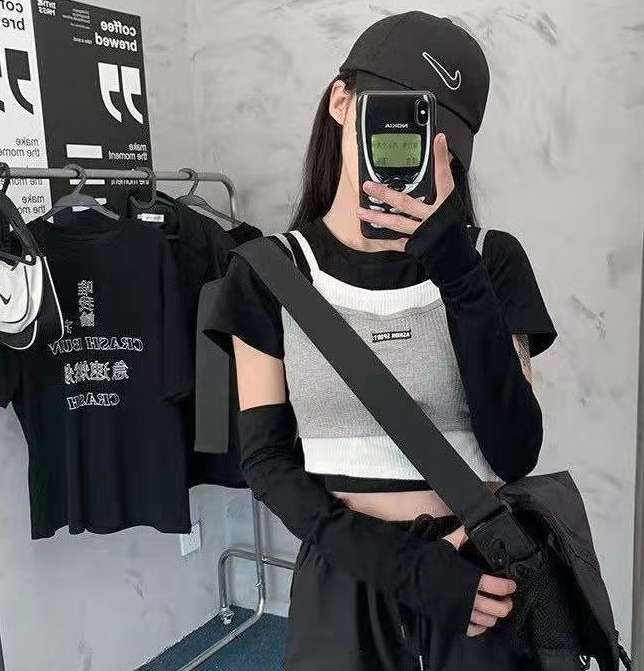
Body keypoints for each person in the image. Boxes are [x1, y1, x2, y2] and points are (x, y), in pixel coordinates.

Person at [205, 11, 557, 671]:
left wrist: (456, 269)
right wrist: (405, 567)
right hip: (347, 579)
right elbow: (267, 461)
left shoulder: (492, 261)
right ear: (342, 102)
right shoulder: (268, 273)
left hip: (481, 578)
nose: (419, 154)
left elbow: (515, 450)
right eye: (401, 123)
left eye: (440, 140)